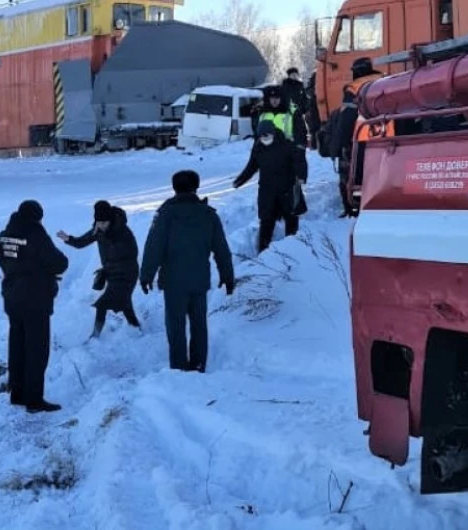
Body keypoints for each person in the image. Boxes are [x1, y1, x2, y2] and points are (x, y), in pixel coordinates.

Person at [140, 170, 235, 373]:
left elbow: (154, 246)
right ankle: (199, 364)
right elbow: (221, 249)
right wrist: (227, 275)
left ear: (174, 188)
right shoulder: (209, 215)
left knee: (175, 326)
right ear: (196, 187)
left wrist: (146, 274)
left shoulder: (166, 214)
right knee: (199, 324)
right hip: (199, 280)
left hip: (173, 281)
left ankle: (179, 368)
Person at [0, 200, 69, 413]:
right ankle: (34, 399)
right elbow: (59, 263)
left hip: (12, 298)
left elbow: (1, 258)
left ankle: (17, 394)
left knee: (17, 347)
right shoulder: (36, 235)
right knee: (37, 350)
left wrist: (16, 271)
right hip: (35, 300)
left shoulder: (4, 235)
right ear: (36, 218)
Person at [57, 200, 141, 339]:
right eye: (99, 222)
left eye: (104, 223)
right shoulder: (98, 230)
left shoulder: (122, 232)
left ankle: (95, 336)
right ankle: (135, 327)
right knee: (125, 303)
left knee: (103, 304)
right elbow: (81, 242)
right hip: (112, 273)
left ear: (110, 220)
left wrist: (110, 265)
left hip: (127, 273)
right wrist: (68, 239)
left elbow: (131, 254)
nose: (101, 225)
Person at [233, 120, 308, 253]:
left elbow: (299, 161)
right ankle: (263, 253)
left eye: (267, 136)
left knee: (291, 220)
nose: (265, 139)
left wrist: (301, 176)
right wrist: (240, 180)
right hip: (267, 192)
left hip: (287, 190)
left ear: (273, 133)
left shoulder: (286, 145)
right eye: (262, 137)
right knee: (266, 222)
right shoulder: (258, 148)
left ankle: (292, 251)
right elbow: (251, 166)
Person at [334, 57, 394, 217]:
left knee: (359, 176)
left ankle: (357, 208)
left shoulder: (354, 89)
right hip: (388, 136)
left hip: (362, 139)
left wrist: (340, 144)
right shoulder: (386, 82)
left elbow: (347, 119)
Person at [254, 84, 310, 182]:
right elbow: (259, 137)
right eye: (272, 98)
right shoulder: (263, 113)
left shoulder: (293, 112)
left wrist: (300, 171)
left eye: (277, 98)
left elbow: (300, 139)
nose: (274, 101)